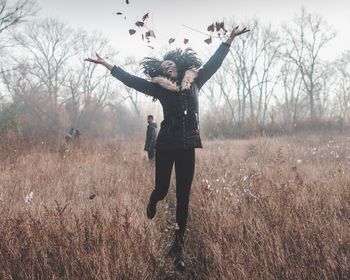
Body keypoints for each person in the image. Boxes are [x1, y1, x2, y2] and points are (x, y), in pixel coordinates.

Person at [85, 26, 249, 270]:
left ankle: (178, 249)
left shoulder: (196, 81)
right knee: (162, 189)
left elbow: (216, 62)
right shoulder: (159, 88)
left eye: (169, 63)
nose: (166, 67)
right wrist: (108, 65)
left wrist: (229, 39)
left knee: (184, 198)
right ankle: (154, 200)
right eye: (163, 67)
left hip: (188, 146)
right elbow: (132, 81)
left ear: (179, 65)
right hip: (165, 145)